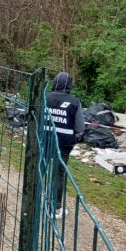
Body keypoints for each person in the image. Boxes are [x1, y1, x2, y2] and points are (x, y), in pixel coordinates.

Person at [45, 71, 85, 209]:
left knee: (40, 167)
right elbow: (80, 127)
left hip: (43, 140)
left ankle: (34, 196)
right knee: (59, 174)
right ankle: (55, 205)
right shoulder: (74, 102)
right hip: (63, 144)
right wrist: (76, 137)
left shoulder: (44, 97)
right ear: (69, 85)